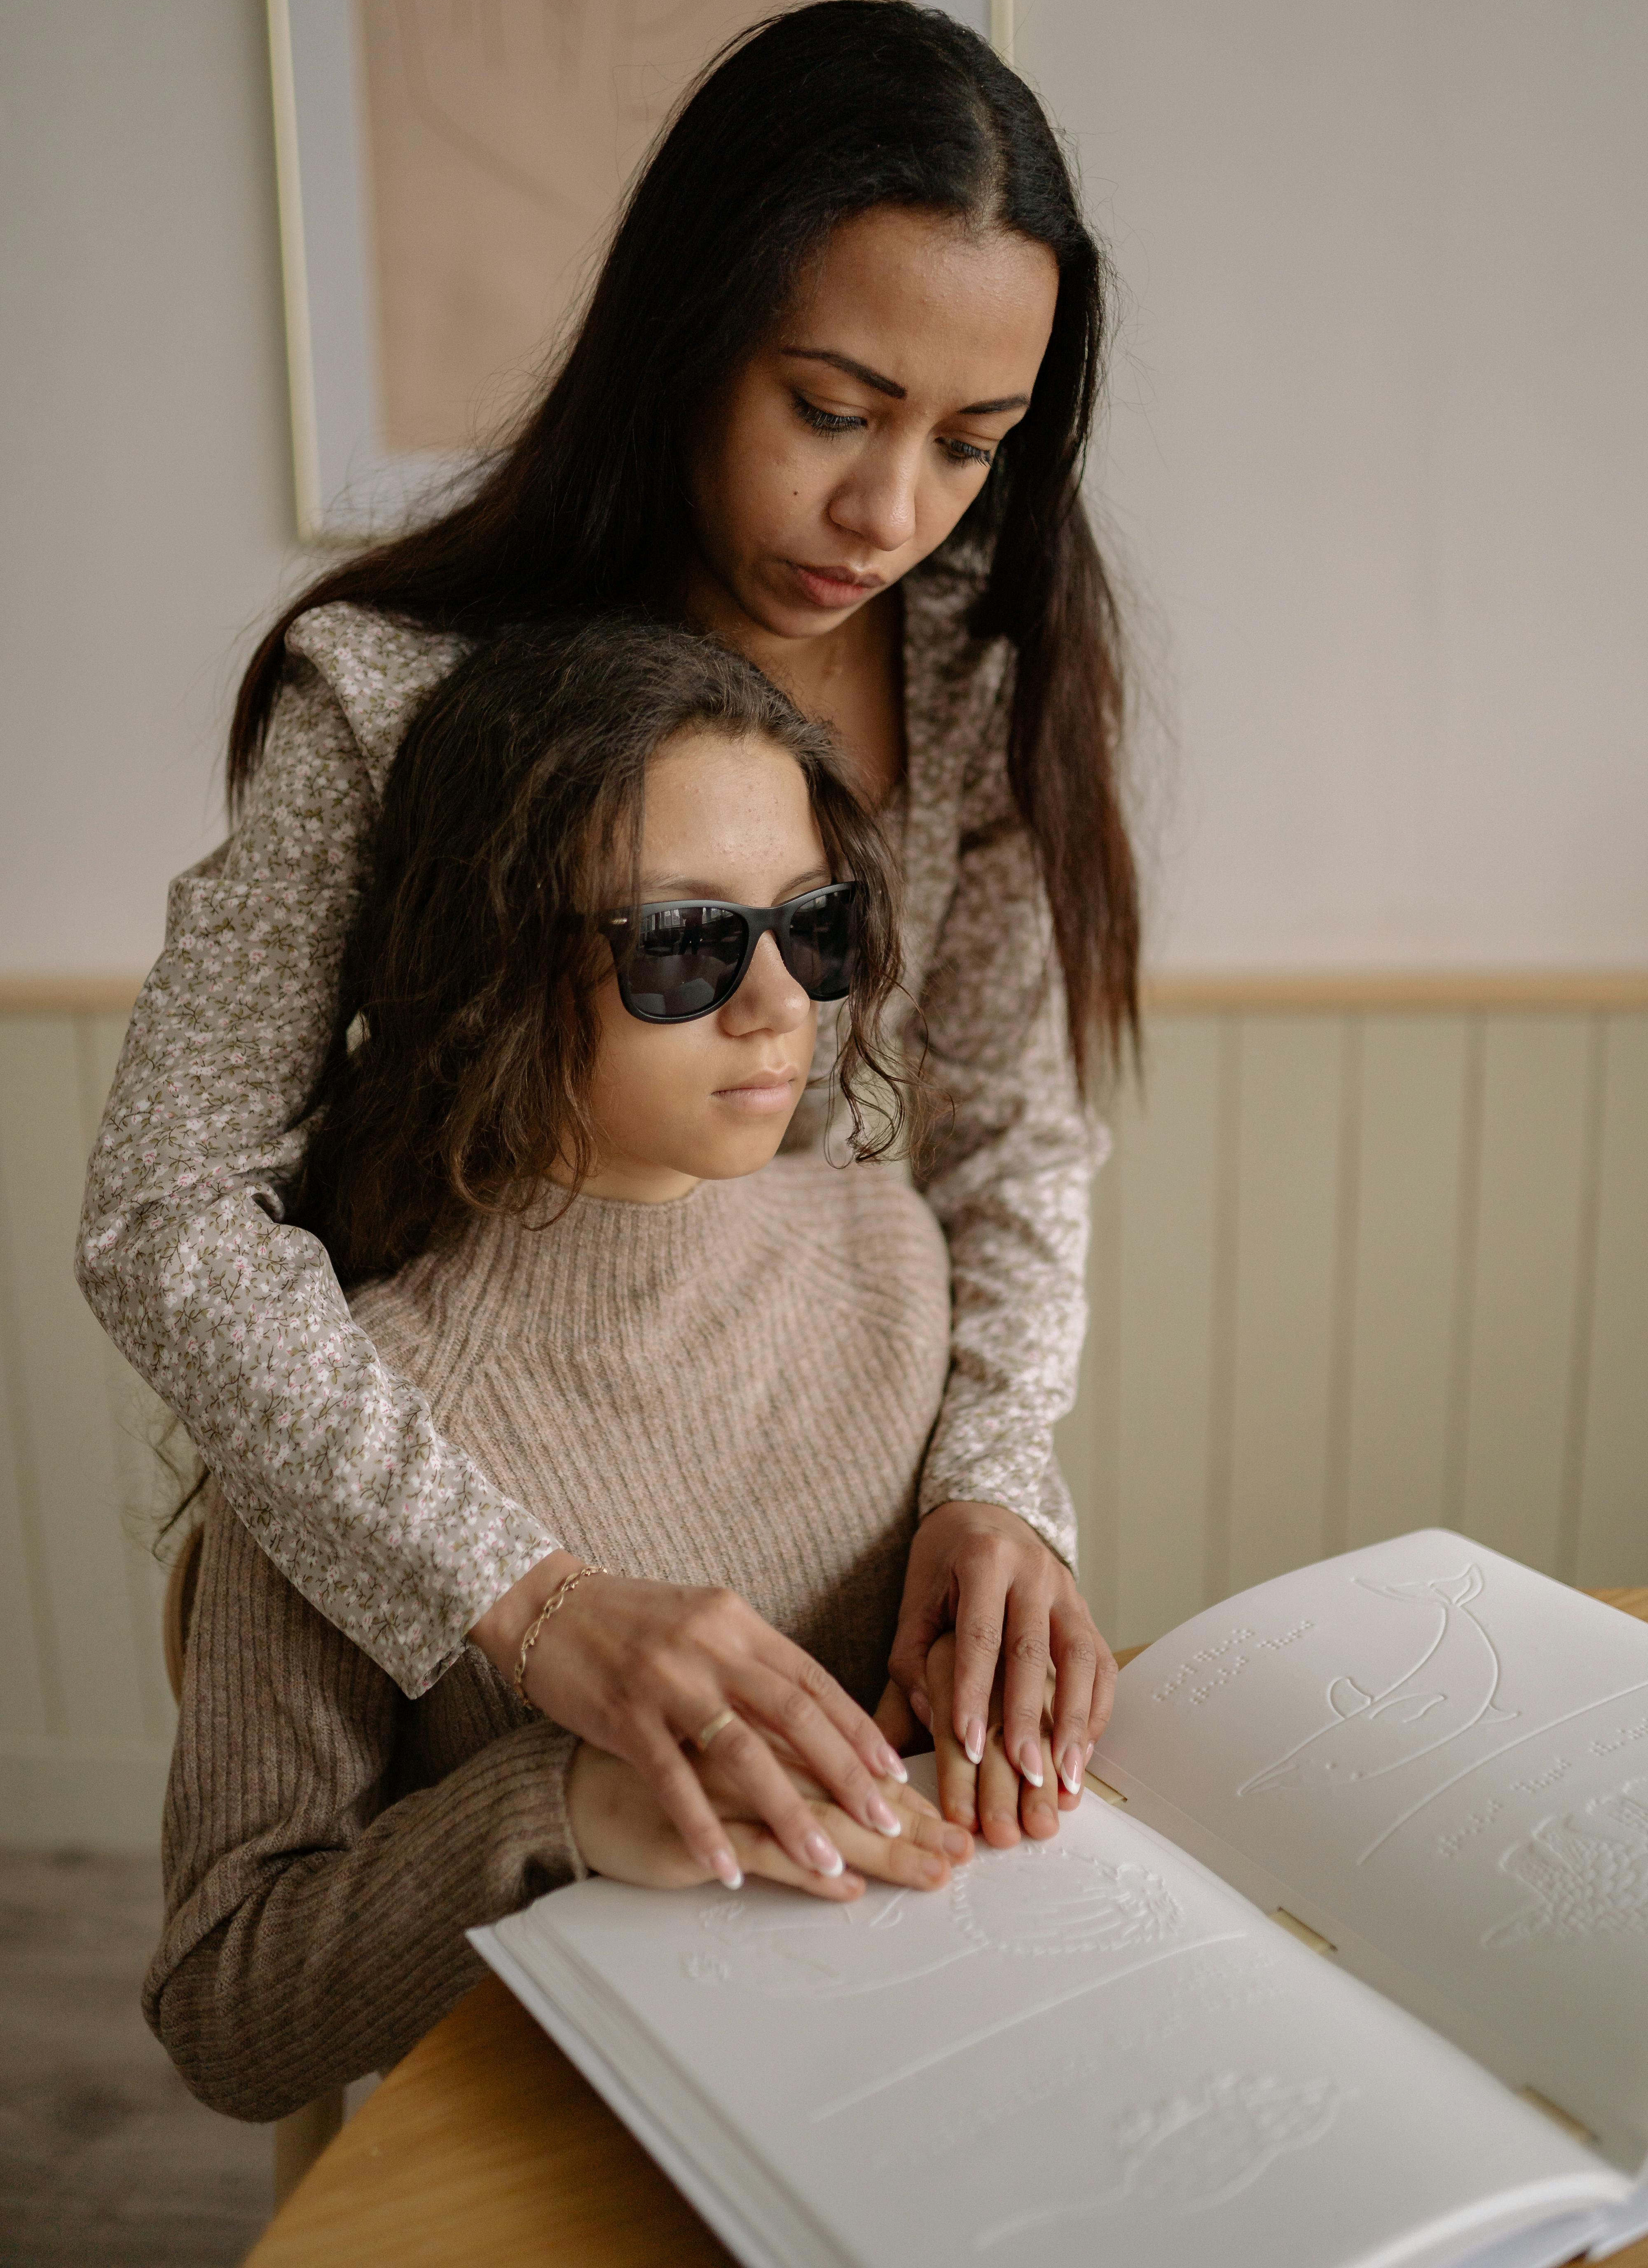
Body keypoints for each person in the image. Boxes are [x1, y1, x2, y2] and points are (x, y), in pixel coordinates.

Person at [79, 0, 1138, 1862]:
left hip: (823, 1519)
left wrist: (994, 1491)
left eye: (972, 442)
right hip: (480, 1580)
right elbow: (164, 1213)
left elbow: (1005, 1138)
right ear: (685, 339)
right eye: (830, 408)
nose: (891, 511)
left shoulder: (973, 668)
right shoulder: (400, 694)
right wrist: (531, 1603)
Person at [147, 621, 1087, 2120]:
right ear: (490, 963)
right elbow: (227, 2005)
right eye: (686, 944)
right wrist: (561, 1807)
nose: (781, 1002)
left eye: (815, 923)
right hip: (585, 2130)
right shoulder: (344, 1407)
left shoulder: (895, 1253)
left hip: (947, 2071)